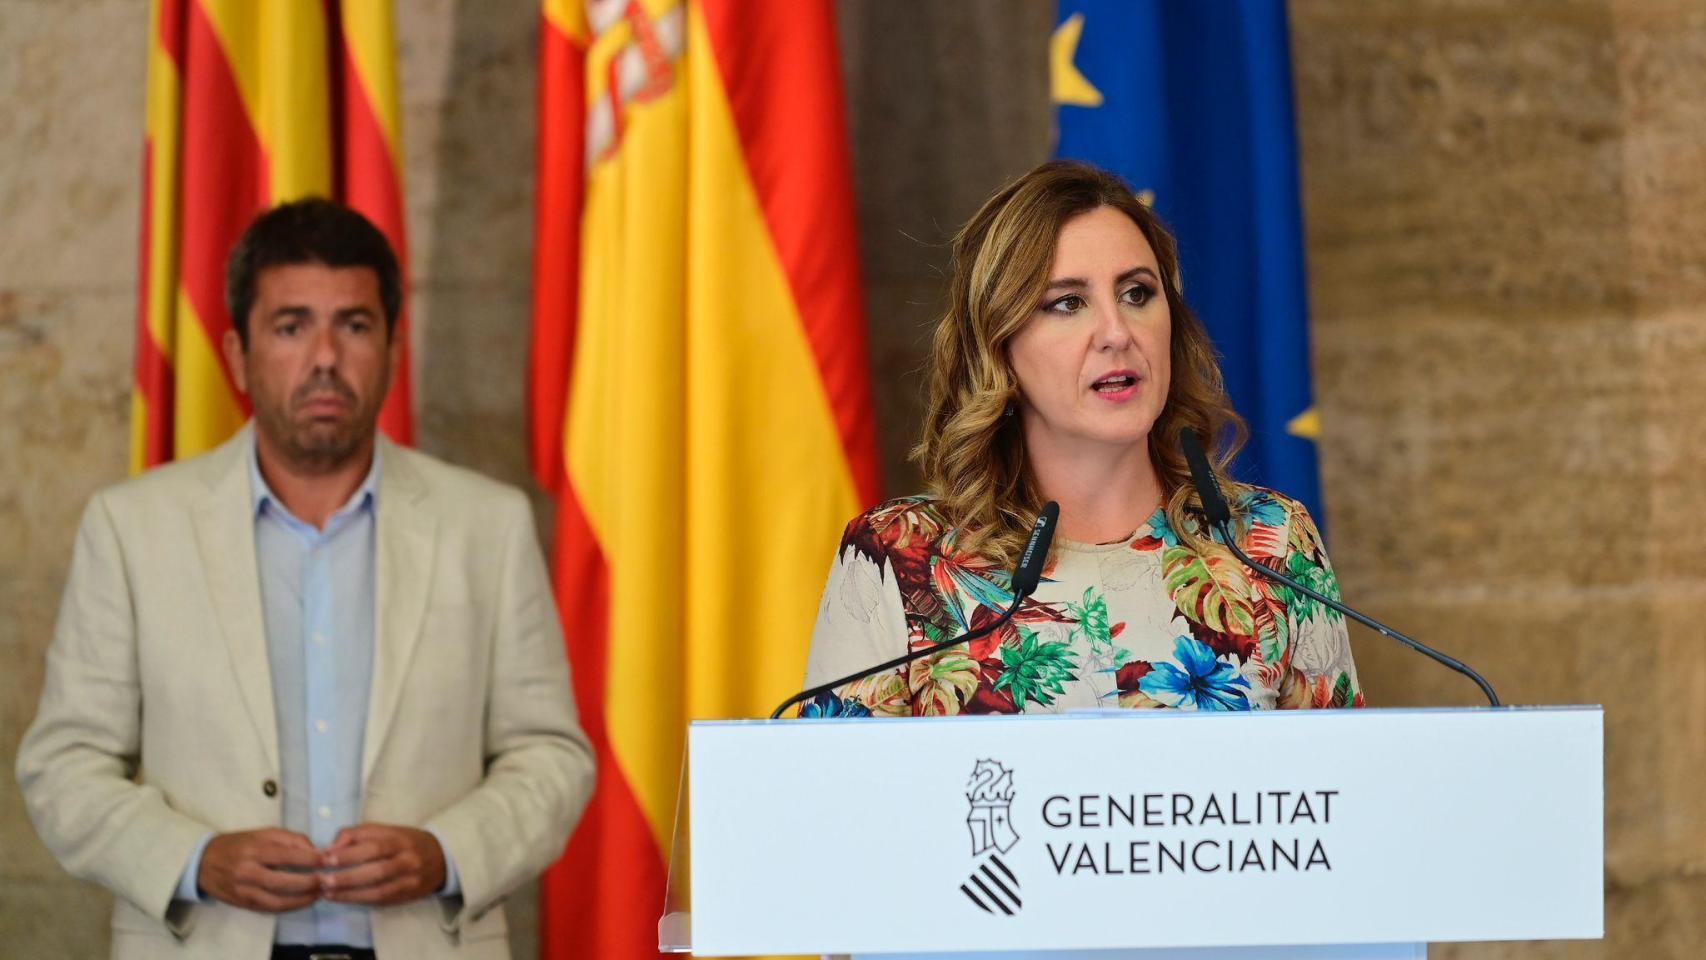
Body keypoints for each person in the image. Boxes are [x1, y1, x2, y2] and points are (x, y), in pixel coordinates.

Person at [16, 199, 595, 960]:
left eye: (354, 325)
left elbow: (551, 754)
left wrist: (447, 853)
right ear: (237, 353)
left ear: (392, 348)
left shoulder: (485, 525)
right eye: (291, 327)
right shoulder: (133, 529)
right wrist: (195, 860)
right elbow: (64, 766)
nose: (324, 356)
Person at [803, 161, 1363, 716]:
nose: (1118, 333)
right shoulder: (899, 558)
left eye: (1138, 293)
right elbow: (833, 800)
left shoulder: (1271, 547)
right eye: (1067, 302)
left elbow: (1343, 796)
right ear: (998, 347)